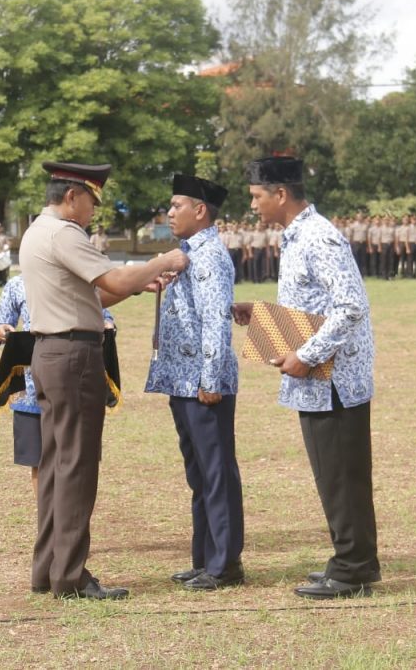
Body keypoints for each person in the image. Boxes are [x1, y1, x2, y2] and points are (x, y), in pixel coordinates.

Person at [19, 160, 189, 601]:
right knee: (76, 466)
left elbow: (95, 294)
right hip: (74, 355)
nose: (94, 210)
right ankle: (71, 576)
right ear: (73, 195)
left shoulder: (38, 230)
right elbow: (110, 278)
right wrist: (160, 261)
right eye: (92, 201)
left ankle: (48, 568)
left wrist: (138, 284)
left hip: (50, 352)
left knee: (57, 463)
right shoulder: (64, 233)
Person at [233, 156, 379, 600]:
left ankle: (353, 569)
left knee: (342, 475)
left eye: (257, 197)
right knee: (333, 474)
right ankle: (350, 560)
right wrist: (261, 316)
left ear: (280, 194)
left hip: (334, 377)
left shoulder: (318, 237)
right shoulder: (297, 236)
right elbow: (312, 303)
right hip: (319, 376)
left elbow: (350, 306)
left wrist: (306, 354)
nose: (254, 206)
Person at [144, 174, 244, 591]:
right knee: (199, 475)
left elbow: (216, 324)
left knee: (217, 472)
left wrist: (210, 378)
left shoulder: (210, 257)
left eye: (176, 205)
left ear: (199, 210)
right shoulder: (186, 254)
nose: (169, 212)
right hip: (182, 381)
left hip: (204, 384)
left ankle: (225, 565)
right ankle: (204, 559)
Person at [0, 275, 115, 498]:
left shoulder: (82, 281)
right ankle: (47, 522)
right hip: (31, 389)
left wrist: (107, 325)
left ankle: (70, 519)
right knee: (40, 462)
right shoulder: (18, 284)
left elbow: (103, 315)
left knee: (77, 458)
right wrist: (1, 330)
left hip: (76, 380)